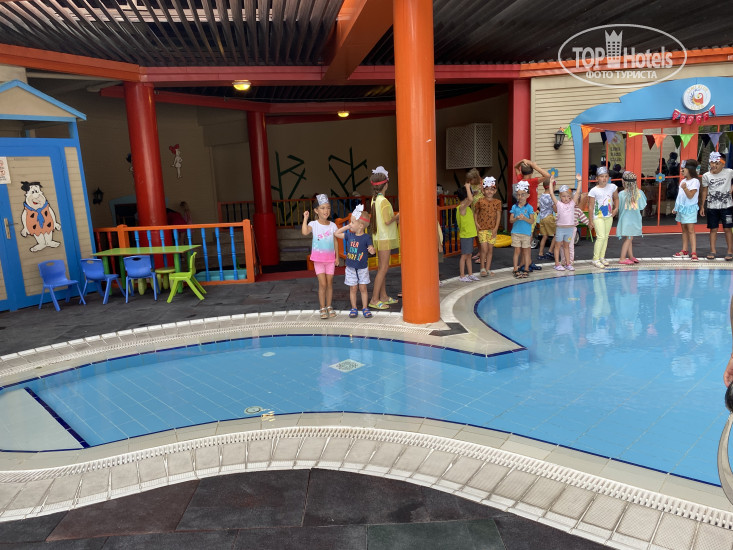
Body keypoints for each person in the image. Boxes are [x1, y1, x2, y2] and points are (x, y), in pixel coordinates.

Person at [302, 194, 340, 319]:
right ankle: (322, 307)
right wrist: (305, 218)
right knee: (323, 284)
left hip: (330, 260)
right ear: (316, 210)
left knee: (330, 283)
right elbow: (304, 232)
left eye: (328, 208)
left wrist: (337, 257)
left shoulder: (333, 225)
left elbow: (335, 241)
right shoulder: (313, 224)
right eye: (322, 208)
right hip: (318, 260)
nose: (326, 210)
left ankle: (329, 306)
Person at [335, 205, 375, 318]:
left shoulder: (366, 237)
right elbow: (336, 233)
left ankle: (365, 307)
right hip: (350, 267)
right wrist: (348, 226)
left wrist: (372, 250)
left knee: (363, 288)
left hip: (362, 267)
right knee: (353, 288)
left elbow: (371, 249)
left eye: (352, 222)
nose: (350, 224)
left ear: (361, 226)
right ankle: (354, 308)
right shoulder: (349, 235)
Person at [368, 166, 400, 309]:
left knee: (382, 268)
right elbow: (388, 221)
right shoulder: (384, 201)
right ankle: (374, 299)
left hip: (378, 236)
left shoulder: (374, 200)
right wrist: (397, 217)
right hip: (385, 237)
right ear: (385, 185)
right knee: (383, 268)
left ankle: (383, 296)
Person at [513, 159, 549, 271]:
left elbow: (515, 167)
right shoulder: (532, 182)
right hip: (530, 213)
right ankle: (524, 264)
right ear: (532, 171)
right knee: (527, 241)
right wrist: (534, 165)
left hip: (524, 212)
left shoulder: (520, 179)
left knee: (527, 239)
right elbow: (547, 175)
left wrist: (521, 161)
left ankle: (528, 262)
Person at [700, 152, 733, 261]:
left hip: (727, 206)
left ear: (723, 164)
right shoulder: (706, 176)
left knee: (727, 228)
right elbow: (704, 190)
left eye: (717, 163)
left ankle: (730, 251)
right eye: (712, 162)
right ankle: (712, 251)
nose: (714, 165)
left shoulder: (729, 172)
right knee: (713, 229)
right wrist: (702, 205)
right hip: (712, 207)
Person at [587, 166, 619, 269]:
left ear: (608, 177)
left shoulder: (612, 187)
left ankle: (602, 257)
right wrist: (590, 220)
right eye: (601, 176)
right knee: (600, 237)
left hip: (608, 216)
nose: (604, 178)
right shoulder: (593, 190)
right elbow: (591, 206)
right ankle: (595, 259)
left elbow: (616, 198)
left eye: (606, 176)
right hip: (598, 216)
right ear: (597, 178)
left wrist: (616, 209)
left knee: (605, 237)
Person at [547, 177, 582, 271]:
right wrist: (551, 183)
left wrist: (579, 181)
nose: (566, 198)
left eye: (568, 196)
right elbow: (551, 193)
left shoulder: (572, 204)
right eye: (563, 196)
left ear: (570, 197)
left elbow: (577, 193)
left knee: (566, 246)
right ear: (560, 196)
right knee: (558, 246)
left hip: (569, 229)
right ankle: (557, 264)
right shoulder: (558, 204)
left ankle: (568, 263)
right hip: (560, 229)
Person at [472, 176, 502, 276]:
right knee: (484, 249)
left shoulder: (497, 202)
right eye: (487, 189)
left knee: (490, 250)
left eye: (492, 189)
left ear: (495, 191)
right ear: (483, 190)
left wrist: (496, 228)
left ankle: (488, 268)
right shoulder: (480, 201)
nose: (489, 191)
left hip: (492, 229)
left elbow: (498, 216)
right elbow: (476, 213)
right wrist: (476, 223)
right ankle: (482, 268)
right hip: (482, 229)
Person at [672, 160, 700, 261]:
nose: (681, 171)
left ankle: (694, 252)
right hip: (682, 209)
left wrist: (685, 188)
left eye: (683, 169)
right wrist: (676, 207)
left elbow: (690, 195)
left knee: (691, 230)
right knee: (684, 230)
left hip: (690, 209)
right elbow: (680, 197)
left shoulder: (695, 181)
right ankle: (684, 250)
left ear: (690, 170)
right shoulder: (682, 181)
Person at [616, 171, 646, 265]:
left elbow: (618, 206)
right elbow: (642, 206)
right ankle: (622, 258)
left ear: (623, 182)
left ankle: (631, 256)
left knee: (629, 238)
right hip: (634, 219)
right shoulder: (639, 193)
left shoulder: (621, 194)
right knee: (629, 238)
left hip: (625, 219)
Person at [509, 180, 535, 279]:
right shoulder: (514, 207)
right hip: (516, 233)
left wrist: (524, 218)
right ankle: (515, 269)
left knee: (526, 252)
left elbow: (532, 221)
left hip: (526, 233)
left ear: (528, 195)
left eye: (523, 195)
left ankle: (526, 269)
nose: (520, 197)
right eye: (518, 195)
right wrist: (516, 218)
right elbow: (511, 220)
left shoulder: (530, 208)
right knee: (517, 251)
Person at [456, 183, 478, 282]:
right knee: (464, 256)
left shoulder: (466, 208)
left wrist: (472, 191)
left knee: (469, 255)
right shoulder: (462, 208)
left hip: (469, 235)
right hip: (465, 235)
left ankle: (470, 274)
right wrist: (468, 188)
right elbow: (471, 199)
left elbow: (471, 198)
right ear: (466, 196)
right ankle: (462, 275)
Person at [536, 180, 556, 261]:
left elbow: (540, 207)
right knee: (557, 234)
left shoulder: (542, 195)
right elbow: (555, 210)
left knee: (544, 236)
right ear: (551, 186)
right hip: (549, 217)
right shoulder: (551, 197)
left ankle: (540, 254)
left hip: (542, 218)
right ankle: (550, 251)